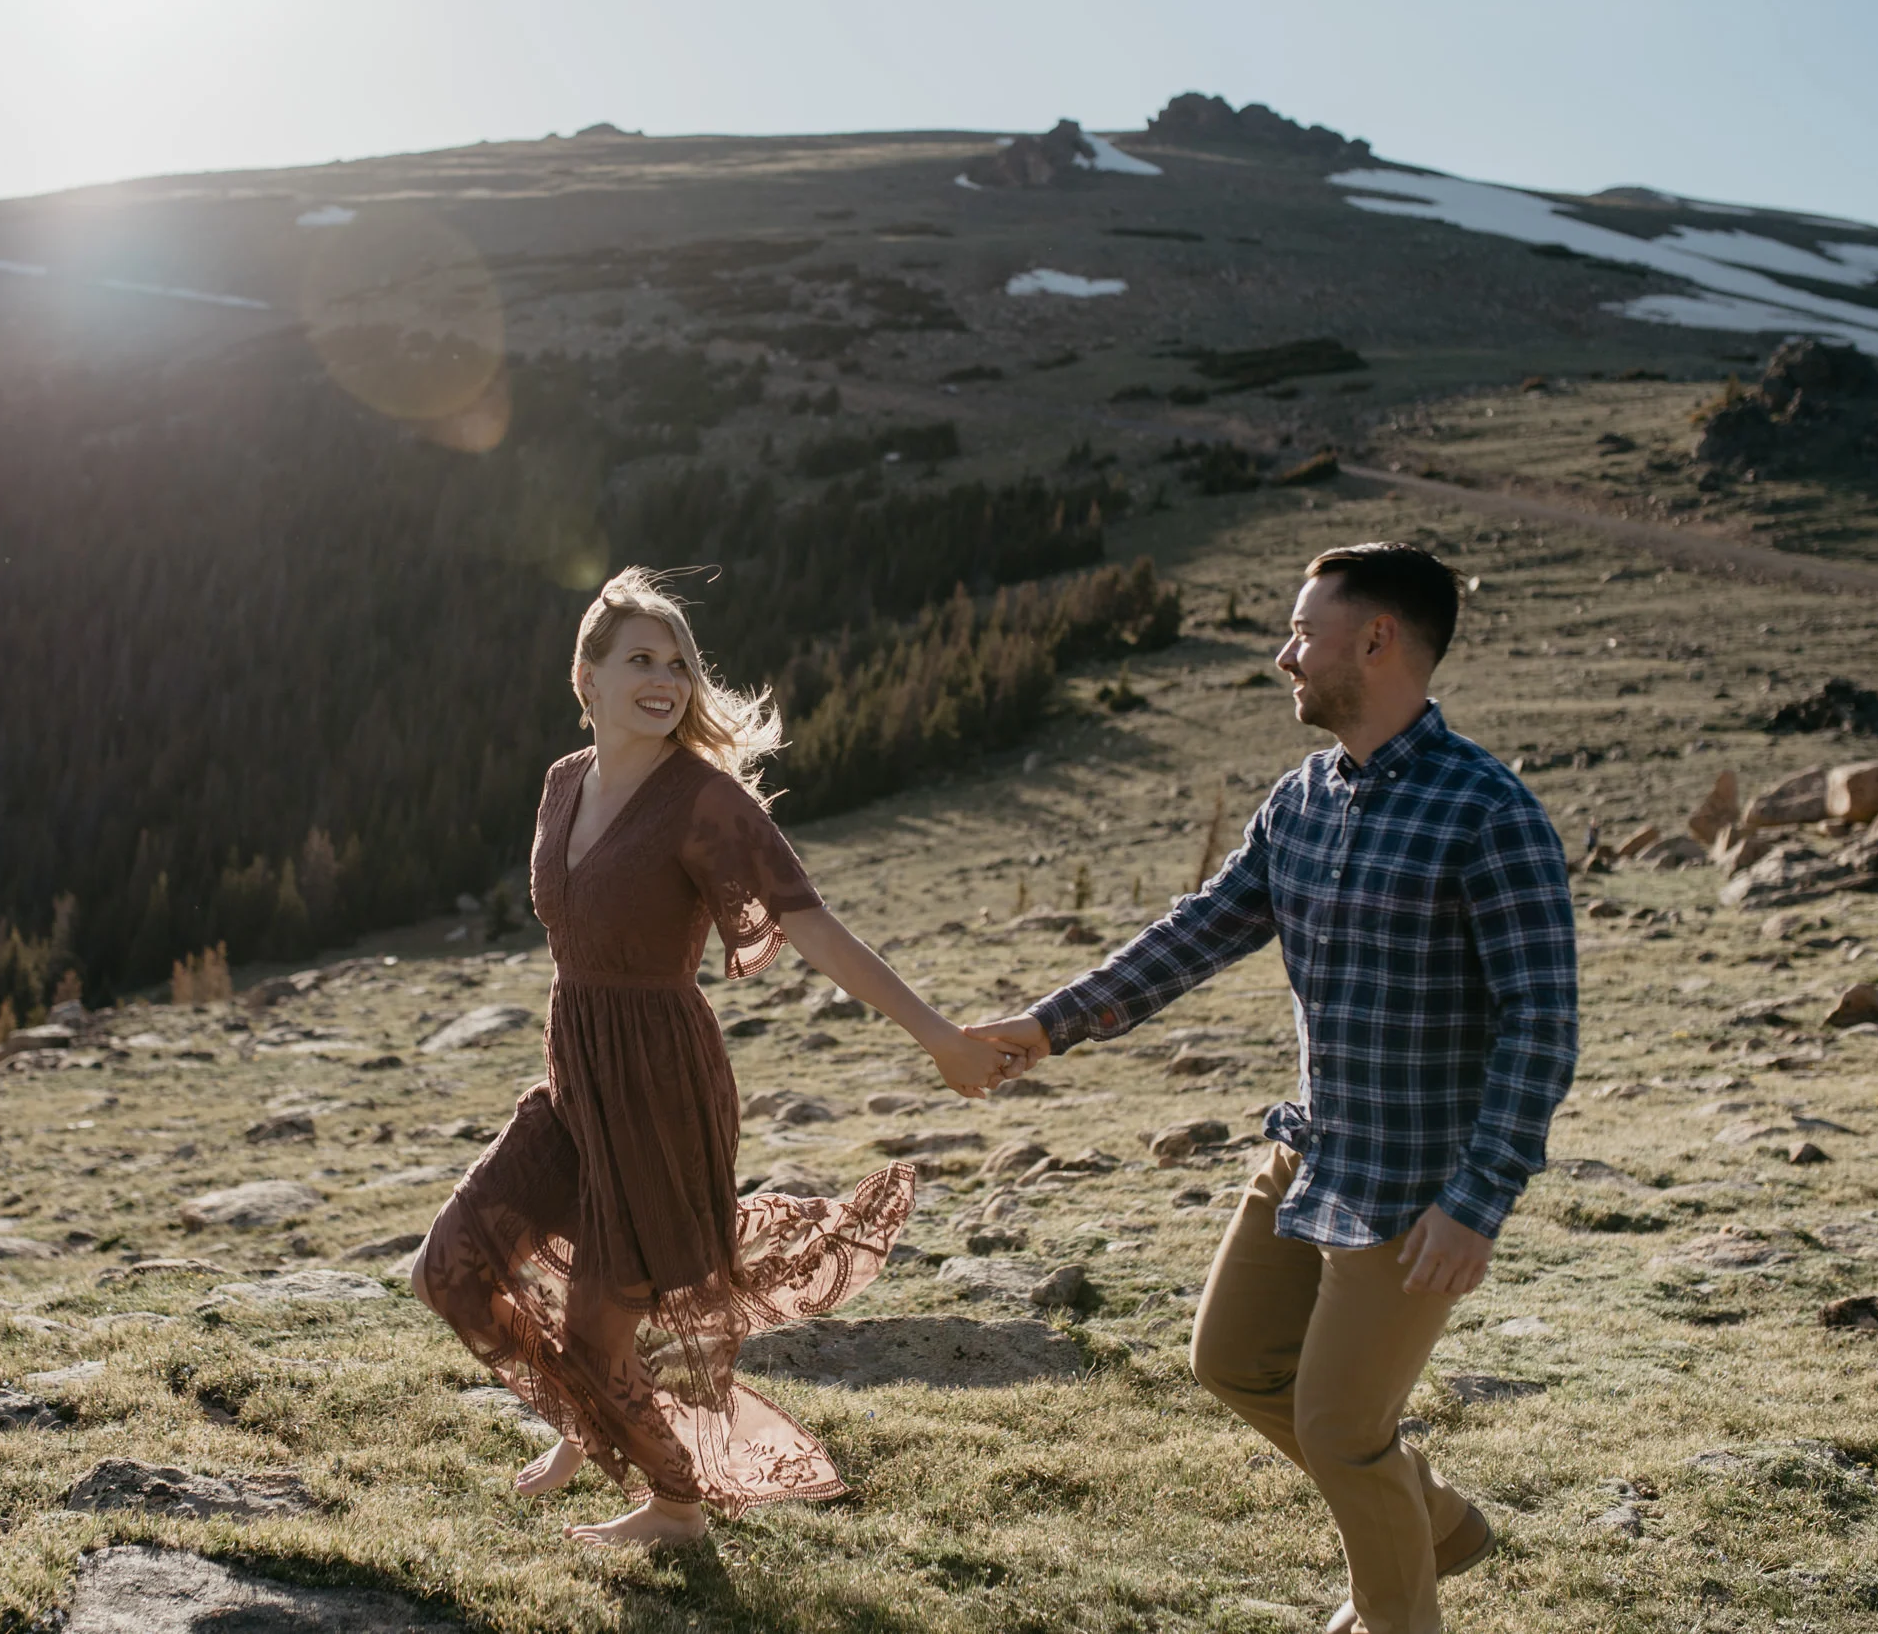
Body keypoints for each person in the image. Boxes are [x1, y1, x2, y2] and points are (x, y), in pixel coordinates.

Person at [971, 542, 1577, 1634]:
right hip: (1312, 1151)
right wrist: (1045, 1025)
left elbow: (1542, 1026)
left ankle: (1398, 1607)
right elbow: (1200, 930)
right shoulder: (1301, 798)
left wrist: (1475, 1201)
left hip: (1415, 1186)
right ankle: (1431, 1525)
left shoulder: (1489, 812)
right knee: (1233, 1360)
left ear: (1377, 640)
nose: (1285, 654)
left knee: (1343, 1427)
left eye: (1304, 632)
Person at [413, 567, 1015, 1549]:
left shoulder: (704, 802)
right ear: (588, 676)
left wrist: (938, 1034)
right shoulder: (565, 782)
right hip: (575, 1080)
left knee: (600, 1332)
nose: (664, 680)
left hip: (657, 1087)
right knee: (450, 1268)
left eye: (678, 665)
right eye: (640, 660)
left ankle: (675, 1507)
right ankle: (589, 1418)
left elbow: (812, 927)